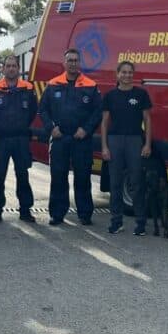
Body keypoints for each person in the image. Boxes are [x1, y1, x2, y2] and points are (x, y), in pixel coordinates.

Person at [39, 48, 102, 226]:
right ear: (64, 63)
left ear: (79, 63)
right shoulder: (53, 84)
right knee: (58, 177)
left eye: (76, 60)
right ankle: (57, 214)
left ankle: (85, 214)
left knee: (82, 177)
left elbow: (98, 112)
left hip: (81, 139)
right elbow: (42, 109)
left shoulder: (90, 85)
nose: (73, 63)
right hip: (59, 139)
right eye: (70, 60)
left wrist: (86, 129)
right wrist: (51, 128)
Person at [100, 61, 152, 235]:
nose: (127, 75)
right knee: (115, 184)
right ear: (118, 74)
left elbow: (147, 120)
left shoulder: (141, 94)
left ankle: (140, 223)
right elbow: (105, 123)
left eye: (130, 72)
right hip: (114, 141)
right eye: (124, 72)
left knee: (137, 182)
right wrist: (105, 147)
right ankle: (116, 222)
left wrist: (147, 144)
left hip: (135, 140)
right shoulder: (110, 96)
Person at [0, 54, 38, 224]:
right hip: (1, 140)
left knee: (23, 175)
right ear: (3, 68)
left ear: (18, 68)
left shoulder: (28, 89)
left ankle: (25, 210)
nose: (11, 68)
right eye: (7, 66)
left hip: (21, 139)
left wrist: (21, 126)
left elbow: (32, 112)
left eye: (14, 66)